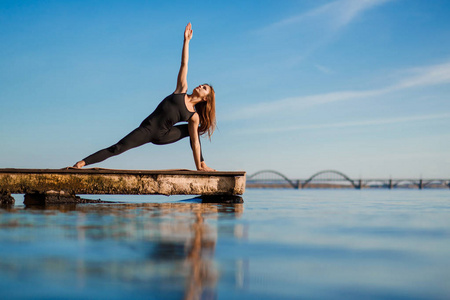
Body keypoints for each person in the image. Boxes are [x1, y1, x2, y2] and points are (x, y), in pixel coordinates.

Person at [72, 23, 216, 171]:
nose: (200, 86)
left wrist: (198, 164)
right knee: (117, 148)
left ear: (205, 98)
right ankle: (81, 164)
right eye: (202, 85)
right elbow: (184, 64)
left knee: (192, 132)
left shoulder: (194, 116)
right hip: (147, 130)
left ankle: (201, 165)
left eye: (204, 88)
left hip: (164, 136)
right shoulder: (181, 89)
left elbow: (196, 143)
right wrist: (186, 41)